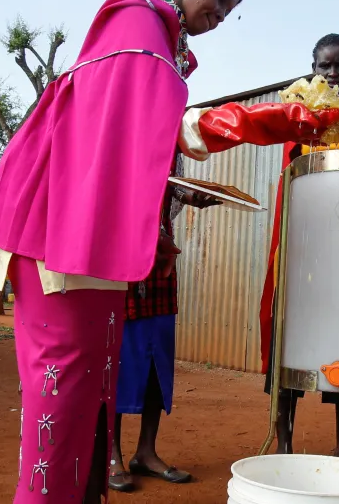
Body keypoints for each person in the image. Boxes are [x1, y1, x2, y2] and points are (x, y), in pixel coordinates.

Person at [0, 0, 339, 504]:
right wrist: (266, 120)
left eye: (230, 10)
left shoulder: (151, 39)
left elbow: (126, 148)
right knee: (62, 403)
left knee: (86, 400)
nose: (220, 15)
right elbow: (161, 130)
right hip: (62, 240)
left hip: (82, 240)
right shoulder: (136, 27)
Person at [259, 33, 339, 458]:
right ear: (313, 66)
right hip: (301, 243)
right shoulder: (295, 113)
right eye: (324, 66)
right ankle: (284, 442)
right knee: (287, 342)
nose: (332, 73)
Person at [108, 153, 219, 493]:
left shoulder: (171, 140)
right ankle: (111, 454)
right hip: (117, 256)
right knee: (116, 360)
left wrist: (189, 195)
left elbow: (166, 186)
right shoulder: (114, 129)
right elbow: (108, 188)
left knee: (157, 358)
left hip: (160, 261)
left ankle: (146, 452)